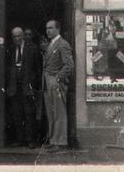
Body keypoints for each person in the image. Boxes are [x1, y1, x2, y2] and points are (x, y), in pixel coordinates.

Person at [42, 20, 74, 153]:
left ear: (58, 29)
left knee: (59, 112)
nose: (48, 31)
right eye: (47, 28)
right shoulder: (51, 44)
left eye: (51, 28)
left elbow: (69, 65)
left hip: (56, 82)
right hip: (48, 81)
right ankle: (53, 139)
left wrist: (58, 78)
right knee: (51, 112)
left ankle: (60, 142)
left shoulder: (62, 44)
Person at [6, 27, 41, 148]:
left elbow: (37, 68)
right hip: (14, 87)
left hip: (27, 86)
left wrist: (33, 83)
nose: (17, 39)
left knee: (29, 113)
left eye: (19, 36)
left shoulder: (32, 49)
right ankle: (19, 139)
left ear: (23, 36)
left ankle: (30, 139)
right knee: (17, 114)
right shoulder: (10, 49)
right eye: (14, 36)